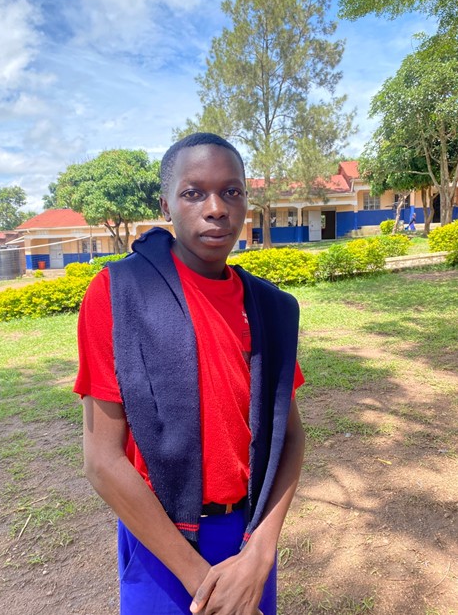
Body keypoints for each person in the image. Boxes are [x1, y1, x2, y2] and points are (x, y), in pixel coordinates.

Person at [74, 132, 305, 615]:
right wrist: (205, 586)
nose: (216, 207)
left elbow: (290, 436)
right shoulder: (119, 294)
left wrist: (260, 553)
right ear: (166, 204)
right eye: (194, 192)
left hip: (248, 537)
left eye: (232, 191)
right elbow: (102, 461)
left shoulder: (271, 308)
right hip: (161, 536)